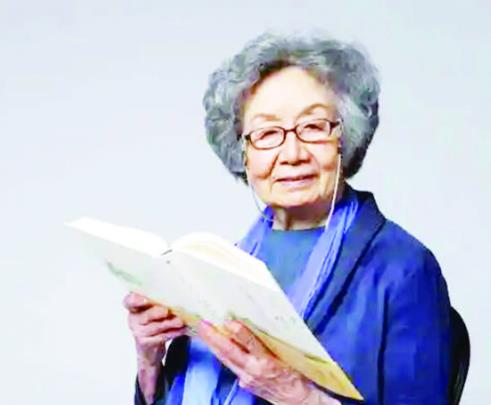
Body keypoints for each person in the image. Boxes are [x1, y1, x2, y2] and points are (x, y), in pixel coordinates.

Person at [124, 32, 451, 405]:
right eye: (267, 133)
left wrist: (296, 395)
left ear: (346, 137)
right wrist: (149, 360)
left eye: (313, 127)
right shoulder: (219, 267)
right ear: (243, 152)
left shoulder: (404, 268)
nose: (292, 154)